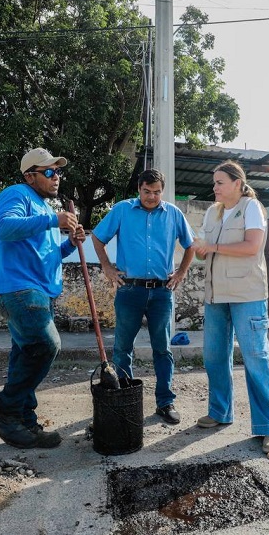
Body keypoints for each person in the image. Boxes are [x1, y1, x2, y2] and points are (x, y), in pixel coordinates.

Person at [0, 147, 86, 449]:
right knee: (45, 345)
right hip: (19, 288)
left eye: (58, 171)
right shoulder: (16, 194)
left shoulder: (42, 208)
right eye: (49, 172)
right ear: (30, 176)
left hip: (37, 290)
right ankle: (5, 411)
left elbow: (47, 254)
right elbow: (4, 228)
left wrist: (69, 243)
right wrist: (54, 220)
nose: (57, 177)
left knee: (25, 355)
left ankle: (24, 421)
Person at [191, 160, 269, 456]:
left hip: (247, 295)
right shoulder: (212, 211)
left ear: (237, 184)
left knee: (256, 358)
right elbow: (207, 255)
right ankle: (220, 412)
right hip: (216, 296)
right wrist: (199, 251)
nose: (214, 187)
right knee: (214, 355)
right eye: (214, 182)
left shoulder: (251, 207)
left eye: (220, 182)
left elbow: (251, 247)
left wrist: (213, 247)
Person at [91, 169, 195, 425]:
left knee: (163, 349)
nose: (152, 197)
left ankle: (165, 402)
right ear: (139, 189)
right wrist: (107, 267)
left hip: (161, 292)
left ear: (162, 190)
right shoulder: (122, 210)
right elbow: (97, 237)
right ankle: (124, 400)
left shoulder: (173, 214)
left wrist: (181, 272)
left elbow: (191, 245)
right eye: (147, 191)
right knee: (123, 348)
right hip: (129, 290)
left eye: (157, 192)